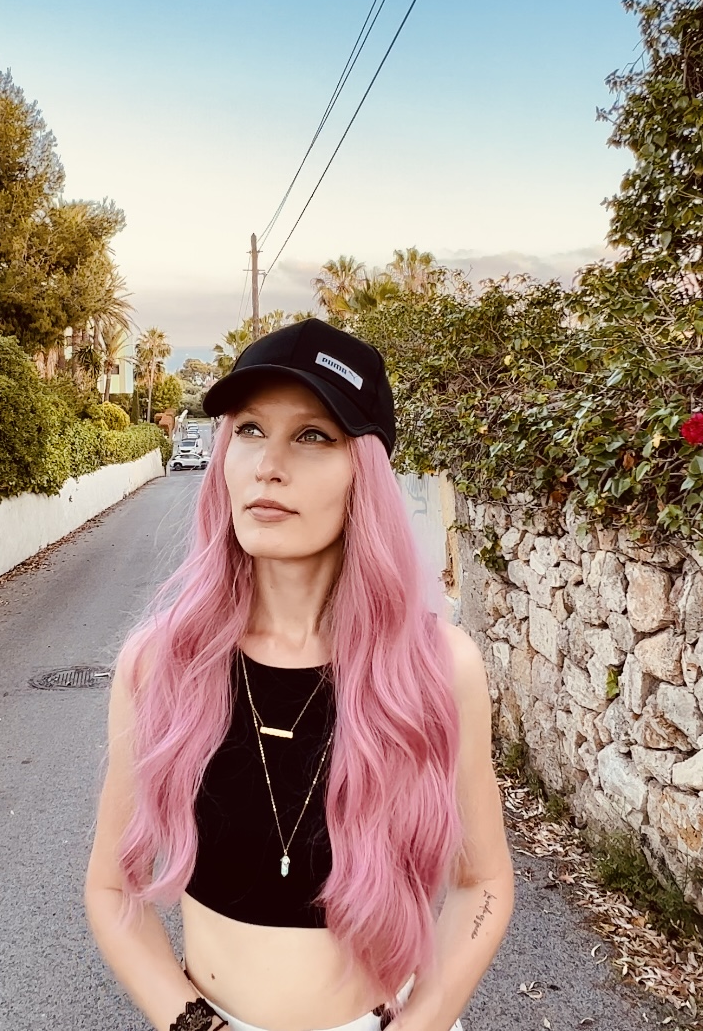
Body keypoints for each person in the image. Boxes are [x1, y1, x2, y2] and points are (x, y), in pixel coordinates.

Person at [85, 319, 514, 1031]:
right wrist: (196, 1027)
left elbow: (485, 882)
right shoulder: (162, 664)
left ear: (364, 473)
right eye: (249, 430)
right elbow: (111, 888)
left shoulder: (436, 670)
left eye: (312, 435)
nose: (268, 464)